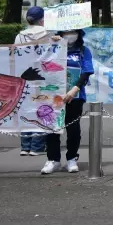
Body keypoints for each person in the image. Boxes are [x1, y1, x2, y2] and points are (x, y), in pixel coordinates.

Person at [42, 28, 93, 174]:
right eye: (66, 32)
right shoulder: (52, 49)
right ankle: (53, 160)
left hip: (75, 96)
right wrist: (51, 42)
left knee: (73, 128)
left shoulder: (83, 50)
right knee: (51, 127)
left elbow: (87, 71)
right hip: (53, 95)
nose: (70, 35)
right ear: (61, 34)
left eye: (73, 32)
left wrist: (75, 89)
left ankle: (72, 158)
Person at [15, 6, 53, 157]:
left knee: (26, 110)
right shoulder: (48, 35)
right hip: (43, 78)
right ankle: (37, 147)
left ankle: (25, 146)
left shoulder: (19, 36)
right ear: (42, 20)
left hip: (24, 77)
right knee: (42, 110)